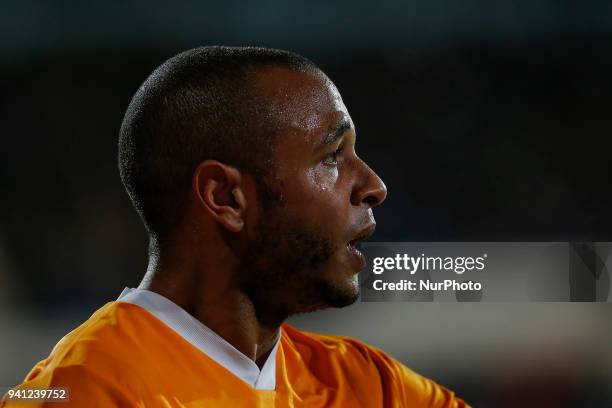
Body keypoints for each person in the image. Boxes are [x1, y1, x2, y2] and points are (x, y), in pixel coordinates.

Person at [2, 46, 468, 407]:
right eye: (331, 157)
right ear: (225, 198)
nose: (373, 185)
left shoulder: (369, 386)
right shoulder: (82, 390)